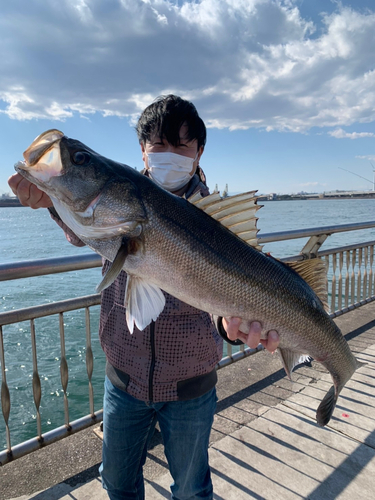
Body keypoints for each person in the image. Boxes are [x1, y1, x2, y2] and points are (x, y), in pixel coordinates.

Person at [9, 95, 279, 500]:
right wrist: (51, 199)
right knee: (117, 484)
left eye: (181, 145)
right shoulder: (119, 200)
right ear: (142, 150)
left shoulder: (218, 218)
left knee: (191, 489)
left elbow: (226, 294)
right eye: (158, 145)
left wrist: (231, 325)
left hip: (191, 385)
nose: (169, 154)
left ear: (199, 151)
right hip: (124, 379)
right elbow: (82, 227)